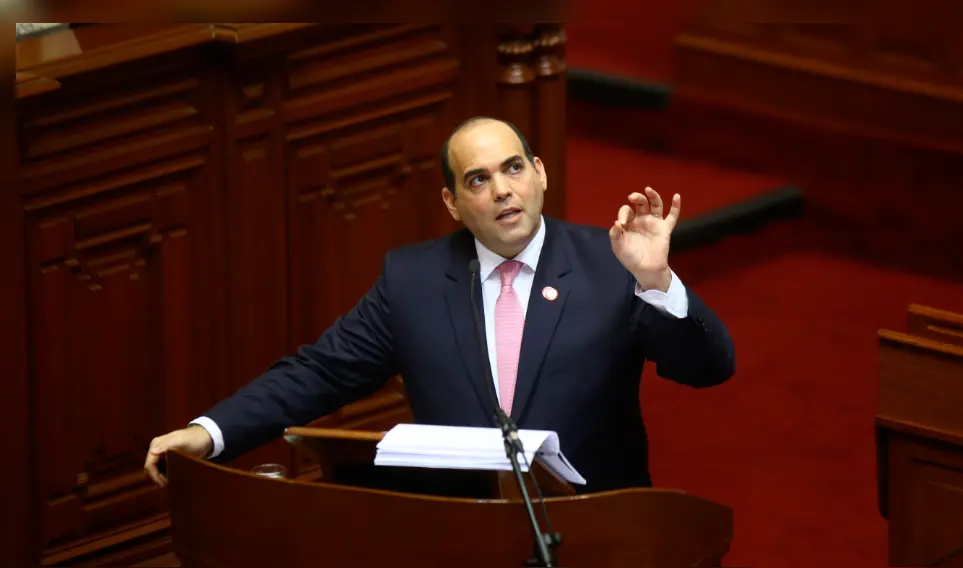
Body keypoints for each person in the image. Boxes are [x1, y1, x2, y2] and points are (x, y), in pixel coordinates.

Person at [145, 116, 735, 493]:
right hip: (459, 542)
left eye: (512, 168)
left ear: (540, 174)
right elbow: (320, 373)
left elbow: (709, 369)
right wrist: (210, 431)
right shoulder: (414, 280)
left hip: (599, 536)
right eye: (477, 180)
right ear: (453, 203)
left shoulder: (611, 263)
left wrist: (657, 281)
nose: (502, 188)